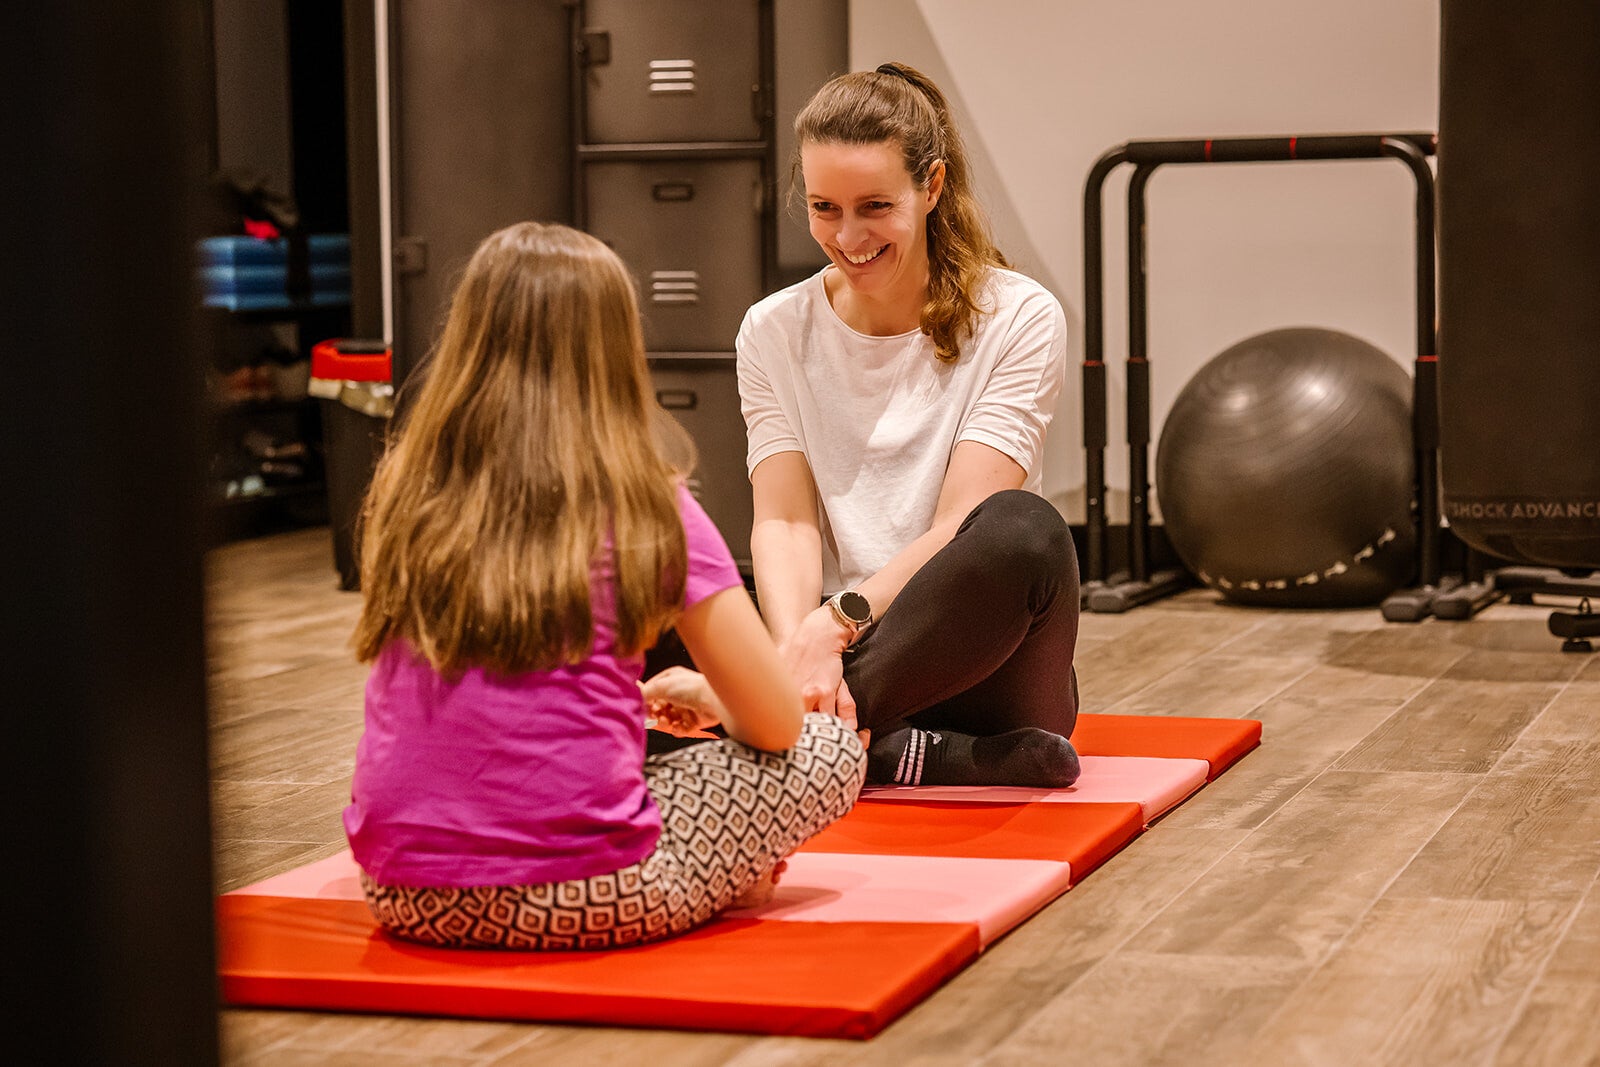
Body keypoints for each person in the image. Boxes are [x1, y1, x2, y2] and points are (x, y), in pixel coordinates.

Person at [343, 222, 866, 951]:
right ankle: (722, 878)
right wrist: (713, 700)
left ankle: (714, 872)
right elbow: (777, 726)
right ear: (615, 351)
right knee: (830, 750)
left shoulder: (410, 490)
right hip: (591, 893)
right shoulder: (647, 502)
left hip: (403, 893)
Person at [736, 62, 1081, 788]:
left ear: (932, 187)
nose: (848, 235)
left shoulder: (1020, 316)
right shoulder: (771, 329)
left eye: (874, 206)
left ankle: (781, 733)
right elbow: (785, 523)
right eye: (825, 207)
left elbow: (960, 524)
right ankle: (903, 751)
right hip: (842, 660)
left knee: (1024, 530)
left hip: (978, 661)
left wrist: (833, 626)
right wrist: (797, 653)